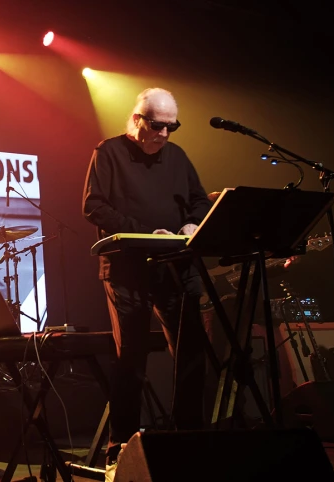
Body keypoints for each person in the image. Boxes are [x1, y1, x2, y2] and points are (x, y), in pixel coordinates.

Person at [82, 88, 212, 478]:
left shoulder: (178, 157)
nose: (165, 134)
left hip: (175, 265)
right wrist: (144, 232)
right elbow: (94, 205)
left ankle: (188, 436)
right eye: (158, 125)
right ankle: (120, 447)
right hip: (128, 267)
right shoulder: (108, 152)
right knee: (132, 357)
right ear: (138, 120)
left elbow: (200, 200)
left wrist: (193, 222)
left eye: (172, 126)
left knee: (192, 350)